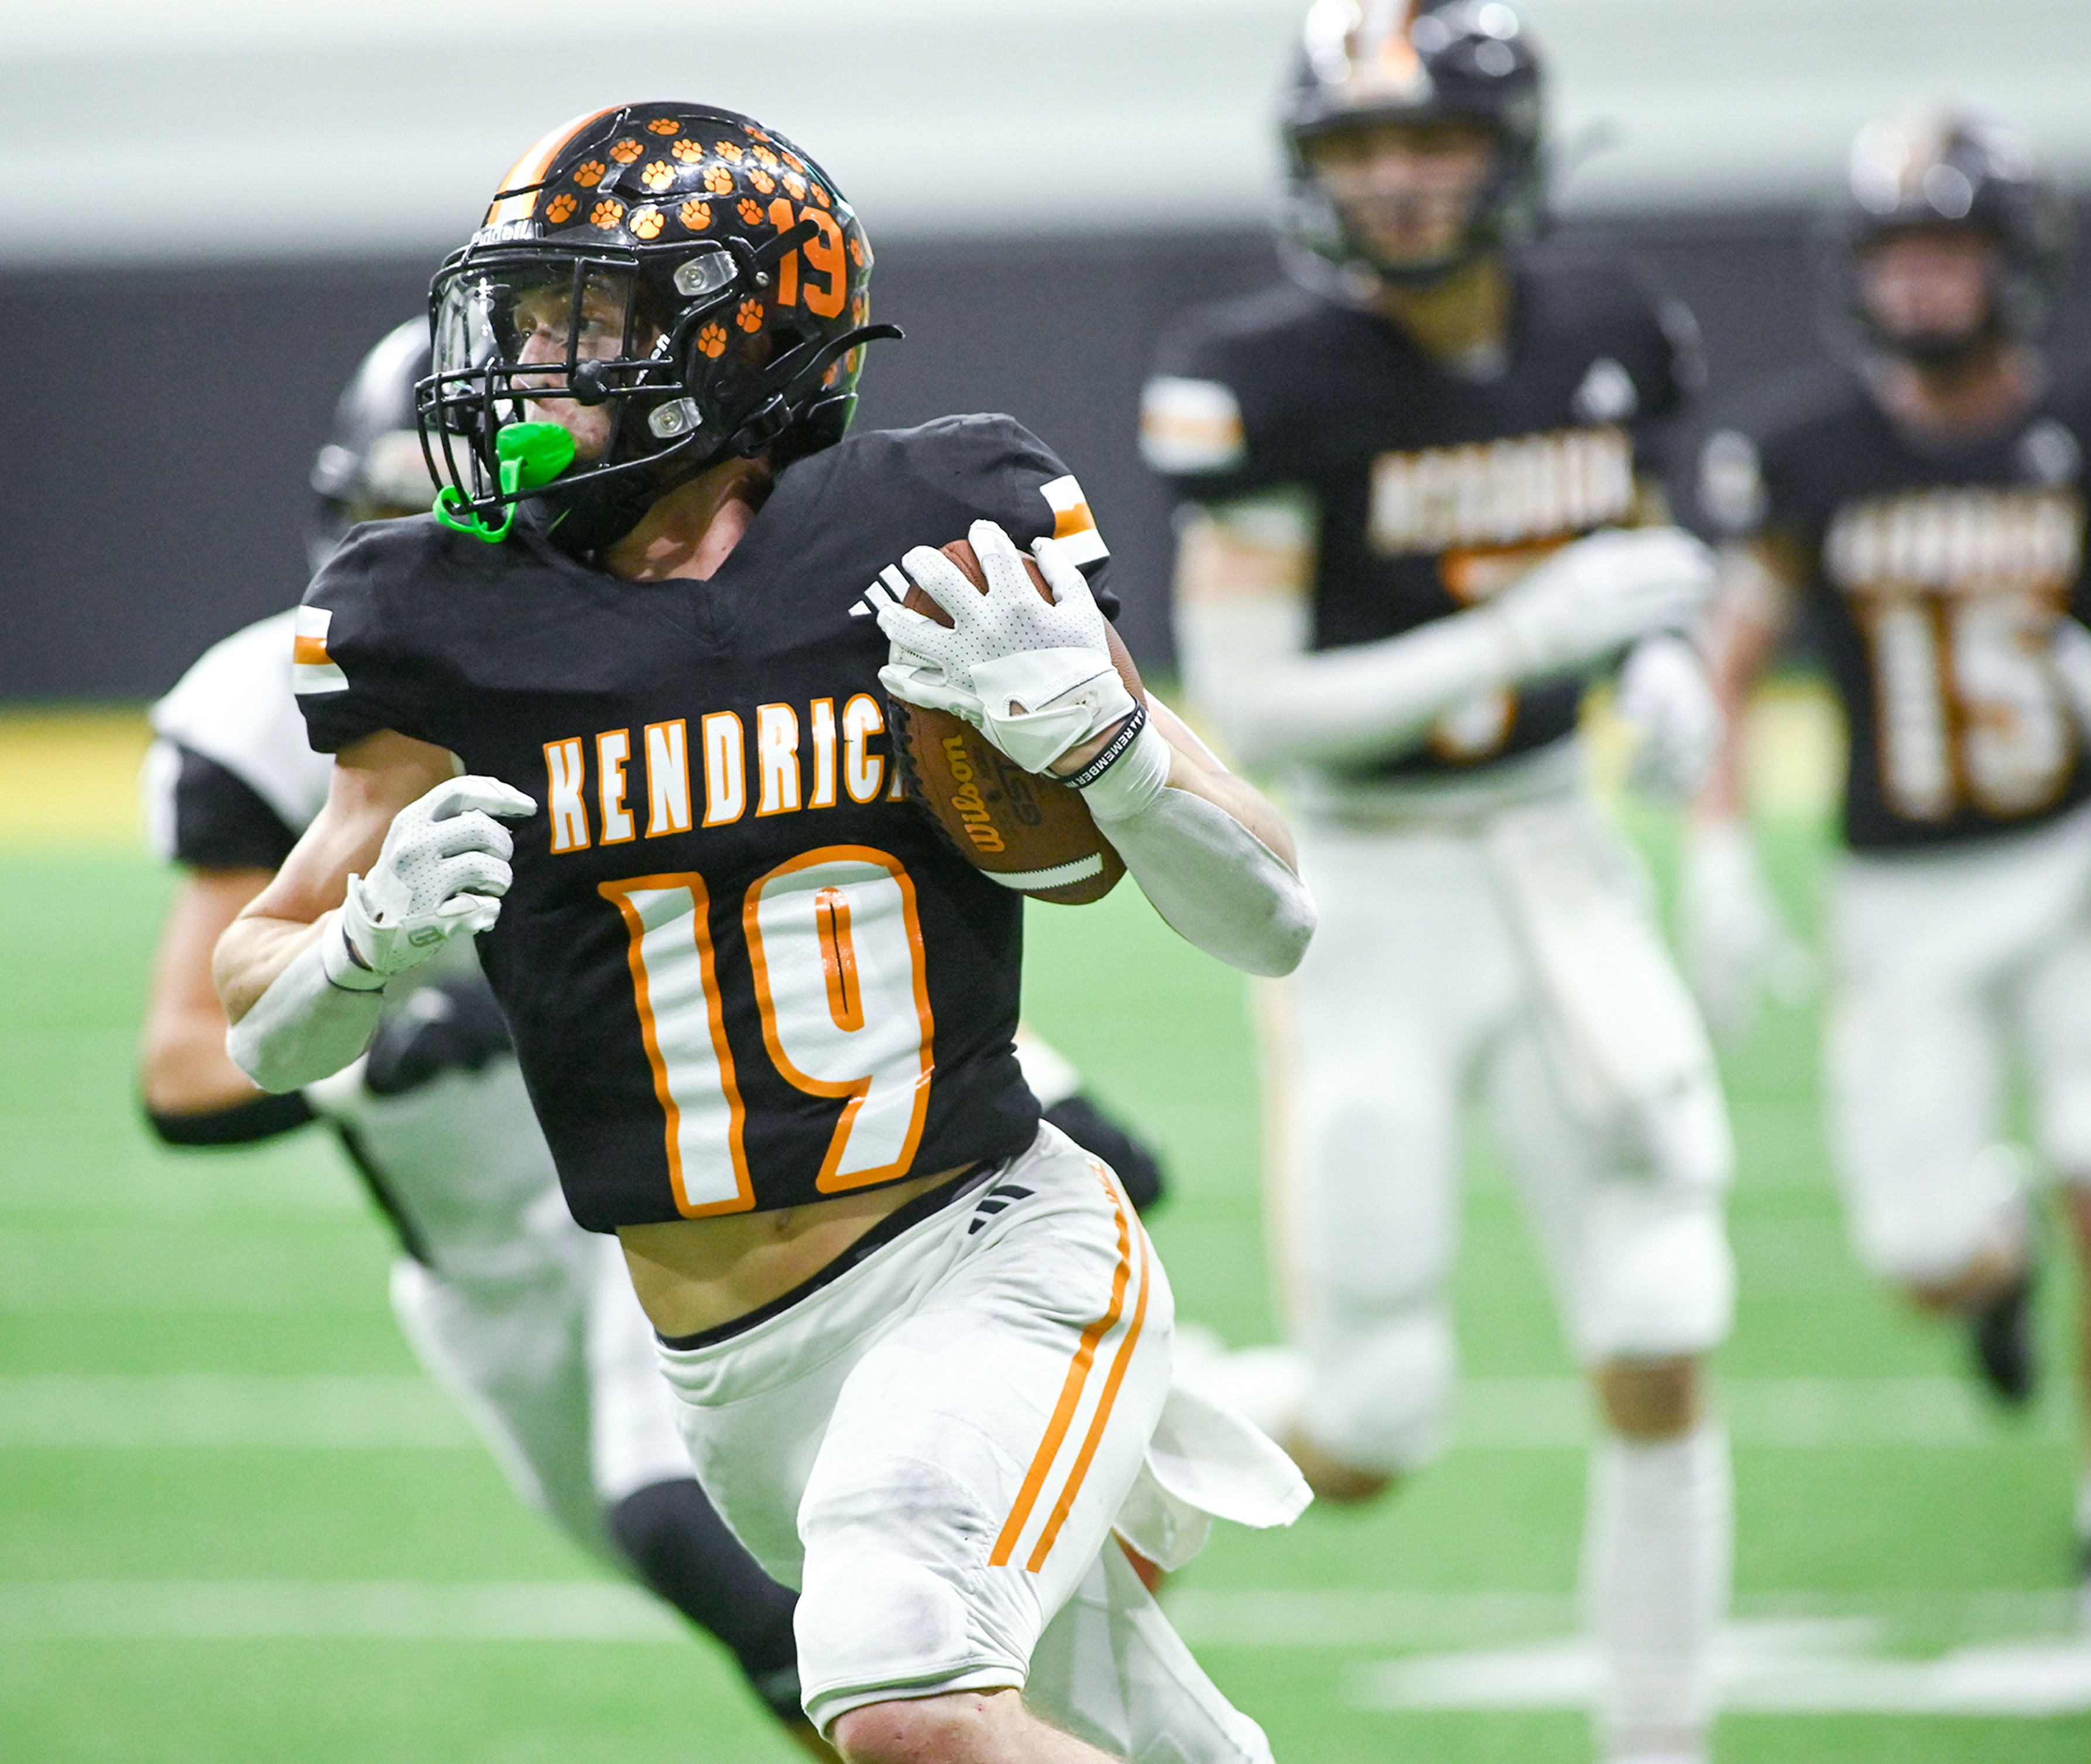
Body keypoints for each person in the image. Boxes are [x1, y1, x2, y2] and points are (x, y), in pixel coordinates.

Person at [207, 102, 1314, 1764]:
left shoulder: (938, 533)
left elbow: (1270, 915)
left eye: (590, 319)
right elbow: (252, 1013)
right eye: (527, 318)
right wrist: (358, 946)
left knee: (905, 1710)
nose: (531, 363)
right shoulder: (443, 620)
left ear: (743, 341)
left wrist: (1110, 746)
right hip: (723, 1372)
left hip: (986, 1259)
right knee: (1144, 1741)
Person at [1142, 8, 1733, 1761]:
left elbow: (1646, 535)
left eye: (1432, 146)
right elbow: (1249, 701)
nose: (1395, 183)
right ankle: (1079, 1473)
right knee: (1376, 1416)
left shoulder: (1607, 322)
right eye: (1355, 152)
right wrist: (1529, 631)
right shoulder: (1267, 373)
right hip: (1369, 891)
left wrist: (1662, 660)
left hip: (1557, 854)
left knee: (1663, 1312)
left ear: (1514, 151)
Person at [1685, 109, 2091, 1624]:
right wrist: (1720, 850)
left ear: (2013, 261)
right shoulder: (1803, 452)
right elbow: (1721, 667)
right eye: (1900, 255)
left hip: (2078, 873)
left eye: (1951, 251)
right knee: (1925, 1254)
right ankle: (1994, 1279)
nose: (1926, 286)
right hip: (1901, 899)